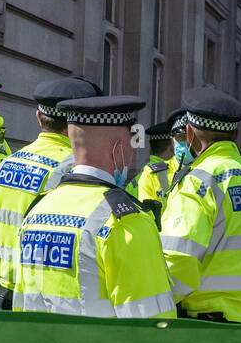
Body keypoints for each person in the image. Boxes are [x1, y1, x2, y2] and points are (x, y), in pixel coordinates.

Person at [13, 94, 176, 319]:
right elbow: (152, 326)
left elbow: (22, 305)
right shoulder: (127, 222)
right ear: (118, 148)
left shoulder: (37, 210)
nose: (131, 154)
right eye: (131, 145)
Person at [159, 87, 241, 324]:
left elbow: (179, 258)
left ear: (189, 133)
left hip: (209, 325)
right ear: (236, 135)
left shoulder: (197, 182)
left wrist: (160, 304)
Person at [0, 75, 100, 309]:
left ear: (39, 117)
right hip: (44, 298)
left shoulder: (8, 162)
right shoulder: (76, 169)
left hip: (4, 290)